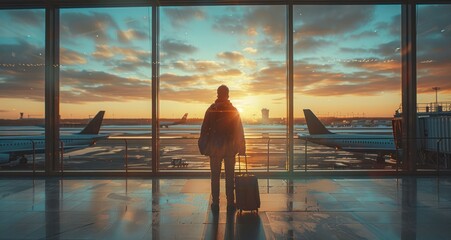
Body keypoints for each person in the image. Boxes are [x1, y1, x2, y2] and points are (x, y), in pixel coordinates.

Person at [199, 85, 246, 212]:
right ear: (228, 95)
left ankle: (215, 202)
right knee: (230, 177)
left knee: (215, 176)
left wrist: (203, 145)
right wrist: (241, 148)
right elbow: (239, 130)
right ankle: (230, 202)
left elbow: (204, 129)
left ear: (218, 94)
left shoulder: (211, 110)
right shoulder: (233, 110)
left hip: (215, 148)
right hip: (230, 148)